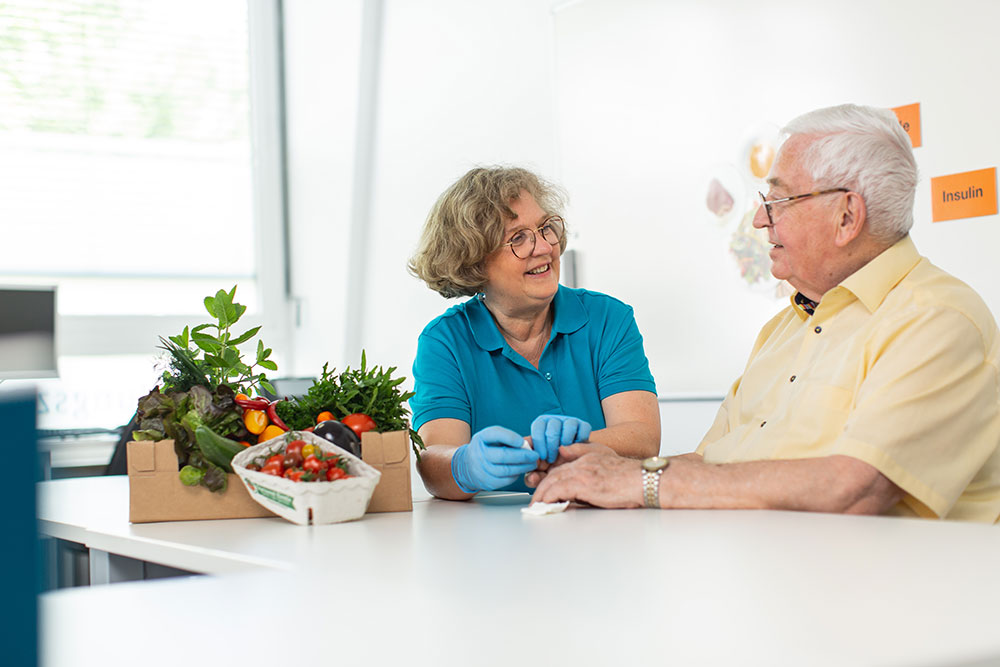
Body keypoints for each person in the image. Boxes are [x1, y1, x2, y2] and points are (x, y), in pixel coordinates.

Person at [531, 104, 1000, 522]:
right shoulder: (784, 327)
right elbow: (710, 462)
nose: (759, 219)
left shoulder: (938, 319)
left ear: (847, 217)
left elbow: (857, 487)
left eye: (777, 200)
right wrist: (606, 473)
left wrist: (640, 485)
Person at [408, 166, 660, 500]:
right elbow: (434, 463)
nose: (543, 247)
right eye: (518, 238)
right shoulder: (445, 342)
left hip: (602, 519)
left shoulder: (607, 319)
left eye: (544, 228)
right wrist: (464, 465)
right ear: (474, 262)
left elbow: (643, 441)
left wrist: (574, 446)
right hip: (491, 538)